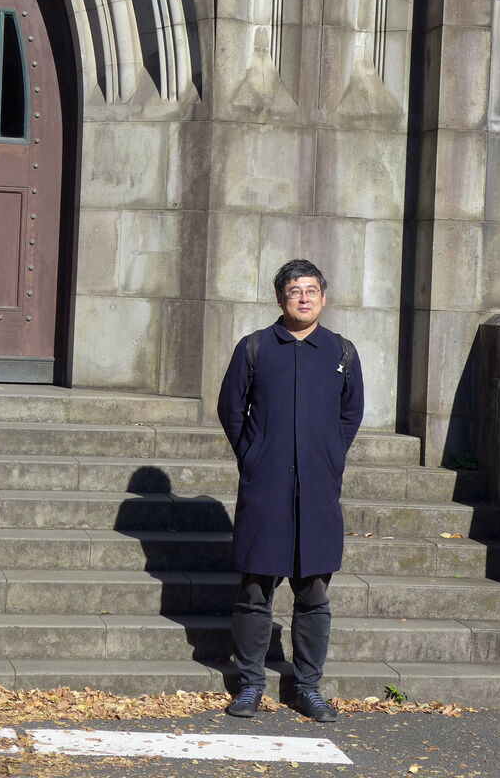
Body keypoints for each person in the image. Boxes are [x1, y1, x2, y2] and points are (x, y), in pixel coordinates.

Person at [217, 259, 364, 722]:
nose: (303, 298)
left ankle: (307, 687)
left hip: (318, 490)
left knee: (314, 592)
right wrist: (254, 455)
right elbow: (231, 408)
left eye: (311, 290)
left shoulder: (341, 351)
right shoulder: (256, 347)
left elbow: (350, 414)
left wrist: (329, 456)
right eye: (294, 291)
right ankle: (249, 685)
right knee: (255, 590)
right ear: (281, 298)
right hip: (267, 487)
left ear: (323, 297)